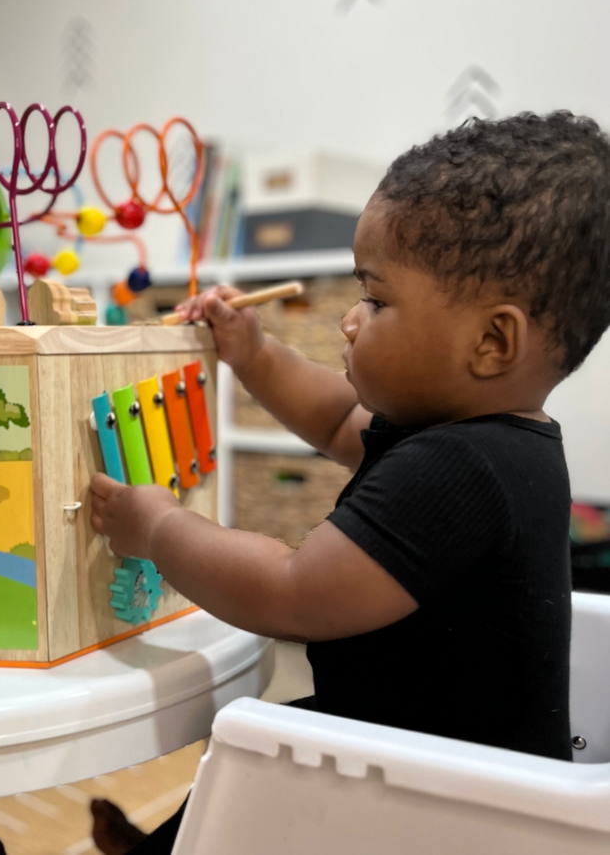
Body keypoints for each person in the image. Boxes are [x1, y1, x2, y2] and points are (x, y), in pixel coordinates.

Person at [83, 111, 610, 854]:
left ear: (493, 341)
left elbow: (292, 593)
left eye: (376, 300)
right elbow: (337, 420)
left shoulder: (465, 468)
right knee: (249, 757)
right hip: (408, 749)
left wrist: (159, 526)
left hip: (451, 810)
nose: (350, 324)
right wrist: (254, 352)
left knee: (261, 756)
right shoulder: (473, 437)